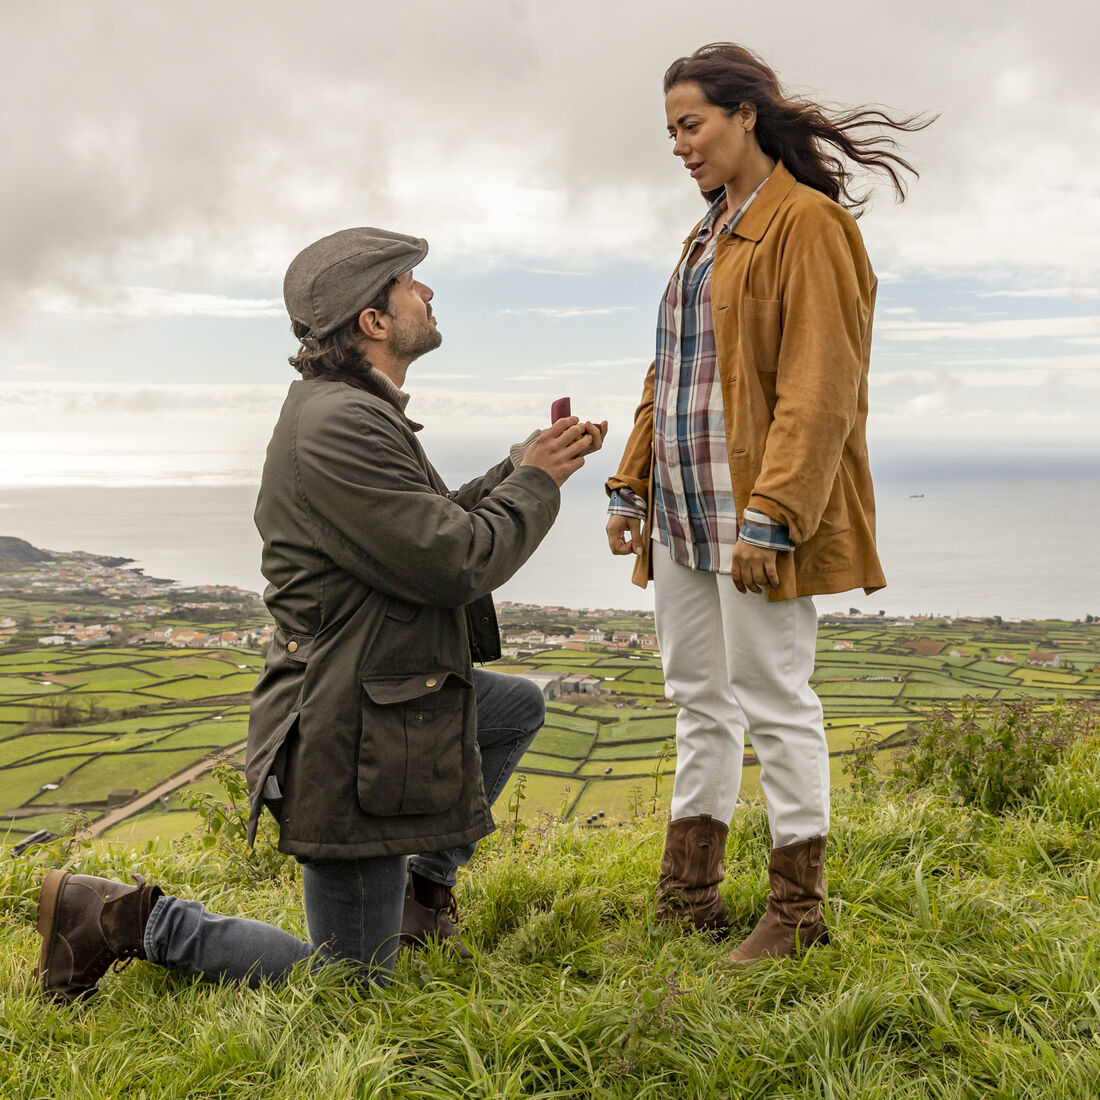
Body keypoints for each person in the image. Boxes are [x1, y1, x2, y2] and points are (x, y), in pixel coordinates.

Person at [36, 226, 607, 1003]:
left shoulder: (357, 410)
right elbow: (456, 560)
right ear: (374, 321)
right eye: (411, 283)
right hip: (348, 732)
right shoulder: (342, 422)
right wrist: (536, 484)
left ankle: (421, 899)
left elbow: (425, 521)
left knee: (511, 707)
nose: (428, 293)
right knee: (350, 985)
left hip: (380, 697)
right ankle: (118, 917)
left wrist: (518, 466)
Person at [606, 44, 929, 964]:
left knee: (775, 700)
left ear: (745, 115)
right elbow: (670, 373)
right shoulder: (706, 234)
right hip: (682, 513)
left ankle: (798, 914)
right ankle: (689, 896)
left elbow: (821, 386)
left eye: (692, 125)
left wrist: (774, 515)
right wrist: (632, 482)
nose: (680, 145)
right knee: (698, 700)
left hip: (751, 516)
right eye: (671, 131)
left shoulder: (810, 225)